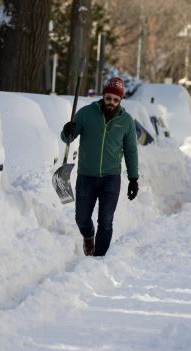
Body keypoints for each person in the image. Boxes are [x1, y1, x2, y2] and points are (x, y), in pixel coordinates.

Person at [61, 77, 139, 256]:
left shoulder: (126, 121)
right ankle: (88, 237)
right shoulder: (86, 114)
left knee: (106, 220)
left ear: (120, 100)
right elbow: (67, 138)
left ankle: (99, 259)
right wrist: (67, 131)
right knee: (81, 219)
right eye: (108, 98)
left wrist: (133, 178)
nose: (111, 103)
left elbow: (131, 151)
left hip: (111, 177)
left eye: (115, 100)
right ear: (103, 96)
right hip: (86, 176)